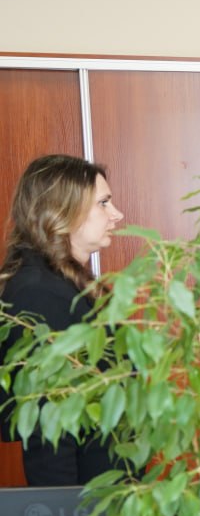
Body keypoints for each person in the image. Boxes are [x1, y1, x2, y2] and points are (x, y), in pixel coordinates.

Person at [0, 154, 124, 485]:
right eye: (103, 203)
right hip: (87, 501)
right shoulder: (38, 293)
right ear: (62, 211)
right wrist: (64, 511)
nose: (117, 214)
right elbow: (48, 426)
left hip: (106, 493)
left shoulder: (65, 284)